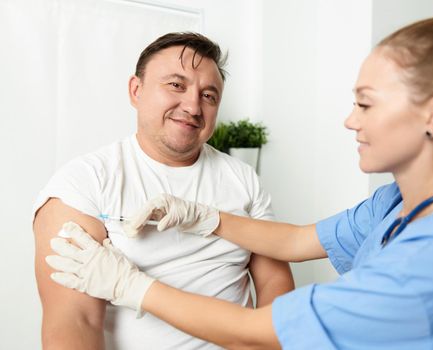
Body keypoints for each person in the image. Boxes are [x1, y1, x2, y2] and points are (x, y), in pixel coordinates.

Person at [45, 1, 433, 348]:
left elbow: (265, 332)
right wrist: (205, 218)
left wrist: (132, 286)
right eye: (175, 84)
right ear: (136, 89)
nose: (350, 120)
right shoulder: (395, 204)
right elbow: (296, 241)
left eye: (365, 103)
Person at [33, 32, 294, 349]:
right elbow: (74, 323)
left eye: (209, 96)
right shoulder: (83, 183)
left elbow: (274, 281)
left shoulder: (242, 178)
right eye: (176, 85)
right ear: (136, 90)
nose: (193, 106)